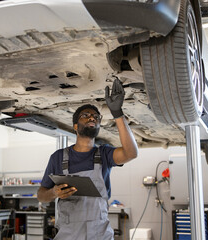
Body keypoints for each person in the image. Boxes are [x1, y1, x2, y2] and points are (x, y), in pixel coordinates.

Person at [37, 78, 138, 240]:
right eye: (86, 115)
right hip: (68, 235)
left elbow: (131, 153)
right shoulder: (58, 157)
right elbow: (41, 195)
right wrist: (53, 192)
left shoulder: (104, 154)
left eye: (96, 117)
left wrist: (117, 113)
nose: (92, 118)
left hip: (99, 234)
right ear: (75, 126)